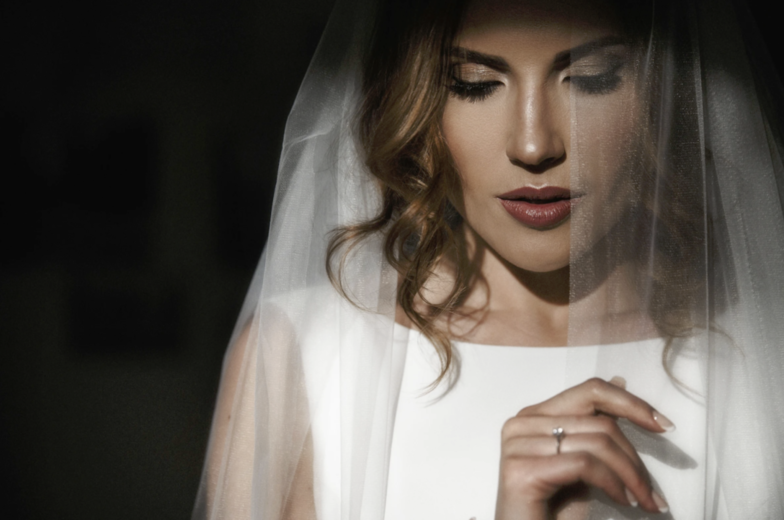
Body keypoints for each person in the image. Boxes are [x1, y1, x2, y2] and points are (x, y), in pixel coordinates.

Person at [192, 0, 784, 519]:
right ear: (419, 102)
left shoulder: (762, 357)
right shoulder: (302, 353)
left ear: (667, 93)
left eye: (591, 79)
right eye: (473, 83)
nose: (533, 144)